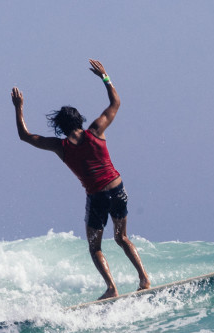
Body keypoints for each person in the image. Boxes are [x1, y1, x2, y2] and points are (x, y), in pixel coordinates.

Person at [11, 60, 151, 299]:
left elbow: (25, 136)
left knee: (95, 247)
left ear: (61, 127)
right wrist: (105, 77)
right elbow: (115, 102)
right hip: (117, 189)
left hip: (97, 196)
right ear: (79, 120)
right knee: (122, 237)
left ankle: (111, 288)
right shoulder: (96, 129)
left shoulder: (60, 146)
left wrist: (19, 107)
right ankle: (144, 279)